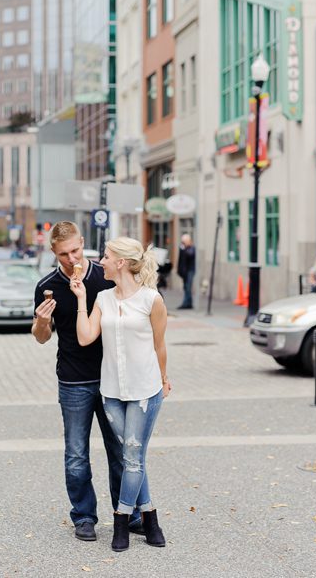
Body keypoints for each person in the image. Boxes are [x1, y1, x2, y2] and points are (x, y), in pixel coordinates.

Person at [32, 222, 142, 542]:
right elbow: (41, 338)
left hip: (111, 378)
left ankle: (129, 512)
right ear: (54, 252)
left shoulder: (104, 277)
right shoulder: (47, 286)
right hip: (73, 381)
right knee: (76, 454)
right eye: (64, 254)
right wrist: (41, 321)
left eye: (76, 250)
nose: (71, 258)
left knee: (119, 450)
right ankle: (83, 515)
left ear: (83, 243)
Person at [70, 237, 171, 552]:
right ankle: (150, 517)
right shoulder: (102, 298)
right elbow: (86, 337)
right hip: (111, 392)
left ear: (122, 263)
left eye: (106, 256)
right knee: (133, 458)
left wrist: (165, 378)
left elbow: (159, 344)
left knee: (131, 457)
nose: (101, 260)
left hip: (145, 389)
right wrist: (81, 299)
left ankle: (121, 522)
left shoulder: (151, 300)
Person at [176, 233, 196, 309]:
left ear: (189, 241)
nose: (183, 243)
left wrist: (184, 249)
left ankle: (186, 303)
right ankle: (189, 303)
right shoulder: (183, 249)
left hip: (190, 270)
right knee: (186, 287)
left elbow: (190, 255)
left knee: (188, 287)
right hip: (185, 271)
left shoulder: (192, 248)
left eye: (184, 242)